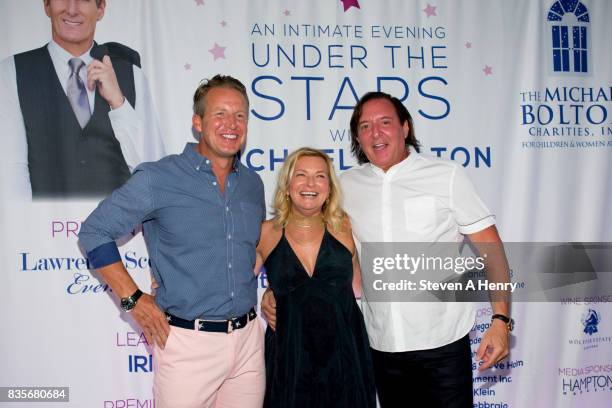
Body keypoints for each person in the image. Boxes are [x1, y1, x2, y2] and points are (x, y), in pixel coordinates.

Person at [262, 92, 512, 408]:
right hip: (381, 348)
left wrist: (501, 319)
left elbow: (492, 249)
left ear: (405, 128)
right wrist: (276, 290)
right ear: (357, 137)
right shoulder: (345, 186)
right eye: (365, 126)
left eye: (385, 122)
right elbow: (307, 243)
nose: (375, 133)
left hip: (443, 345)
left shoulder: (446, 175)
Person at [79, 75, 266, 408]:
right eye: (220, 114)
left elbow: (255, 241)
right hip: (187, 346)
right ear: (198, 122)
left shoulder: (252, 184)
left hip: (249, 342)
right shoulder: (159, 178)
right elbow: (94, 231)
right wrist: (133, 298)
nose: (231, 124)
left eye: (240, 115)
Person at [0, 0, 164, 199]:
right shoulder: (11, 72)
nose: (72, 9)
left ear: (101, 8)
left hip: (121, 227)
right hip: (45, 225)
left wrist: (119, 103)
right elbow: (10, 173)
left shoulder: (132, 75)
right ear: (46, 5)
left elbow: (156, 170)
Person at [256, 148, 376, 407]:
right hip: (290, 356)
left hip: (345, 352)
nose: (311, 184)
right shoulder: (266, 233)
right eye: (301, 175)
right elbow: (232, 283)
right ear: (287, 185)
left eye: (320, 176)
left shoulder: (346, 226)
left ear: (330, 188)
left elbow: (368, 279)